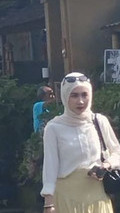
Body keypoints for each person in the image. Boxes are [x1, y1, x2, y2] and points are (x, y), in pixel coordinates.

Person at [41, 72, 120, 213]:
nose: (81, 101)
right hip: (66, 199)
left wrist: (107, 165)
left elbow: (117, 152)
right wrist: (49, 204)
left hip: (97, 197)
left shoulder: (99, 121)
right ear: (65, 97)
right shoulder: (54, 127)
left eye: (84, 94)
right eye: (74, 95)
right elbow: (50, 166)